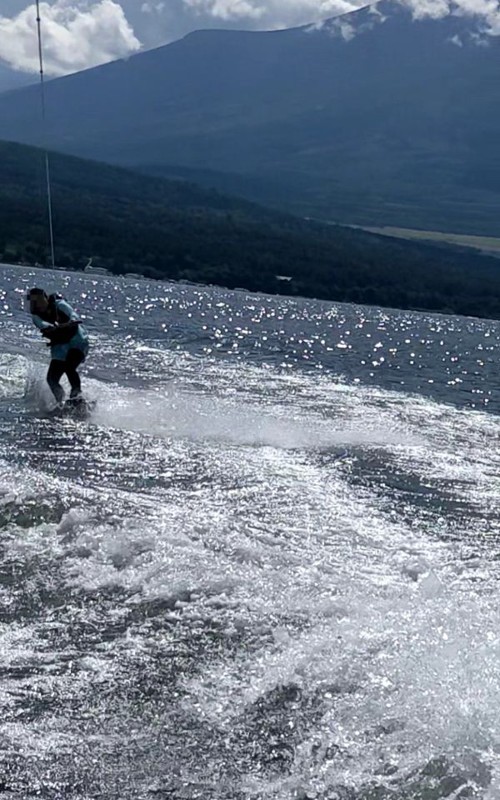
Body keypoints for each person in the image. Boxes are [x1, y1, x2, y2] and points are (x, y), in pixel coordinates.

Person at [26, 287, 89, 406]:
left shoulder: (59, 304)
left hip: (77, 342)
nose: (38, 304)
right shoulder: (36, 316)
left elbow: (72, 313)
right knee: (51, 379)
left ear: (45, 297)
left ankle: (77, 395)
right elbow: (42, 324)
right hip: (60, 347)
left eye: (40, 300)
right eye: (35, 302)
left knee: (70, 367)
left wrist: (72, 321)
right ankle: (60, 402)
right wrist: (49, 327)